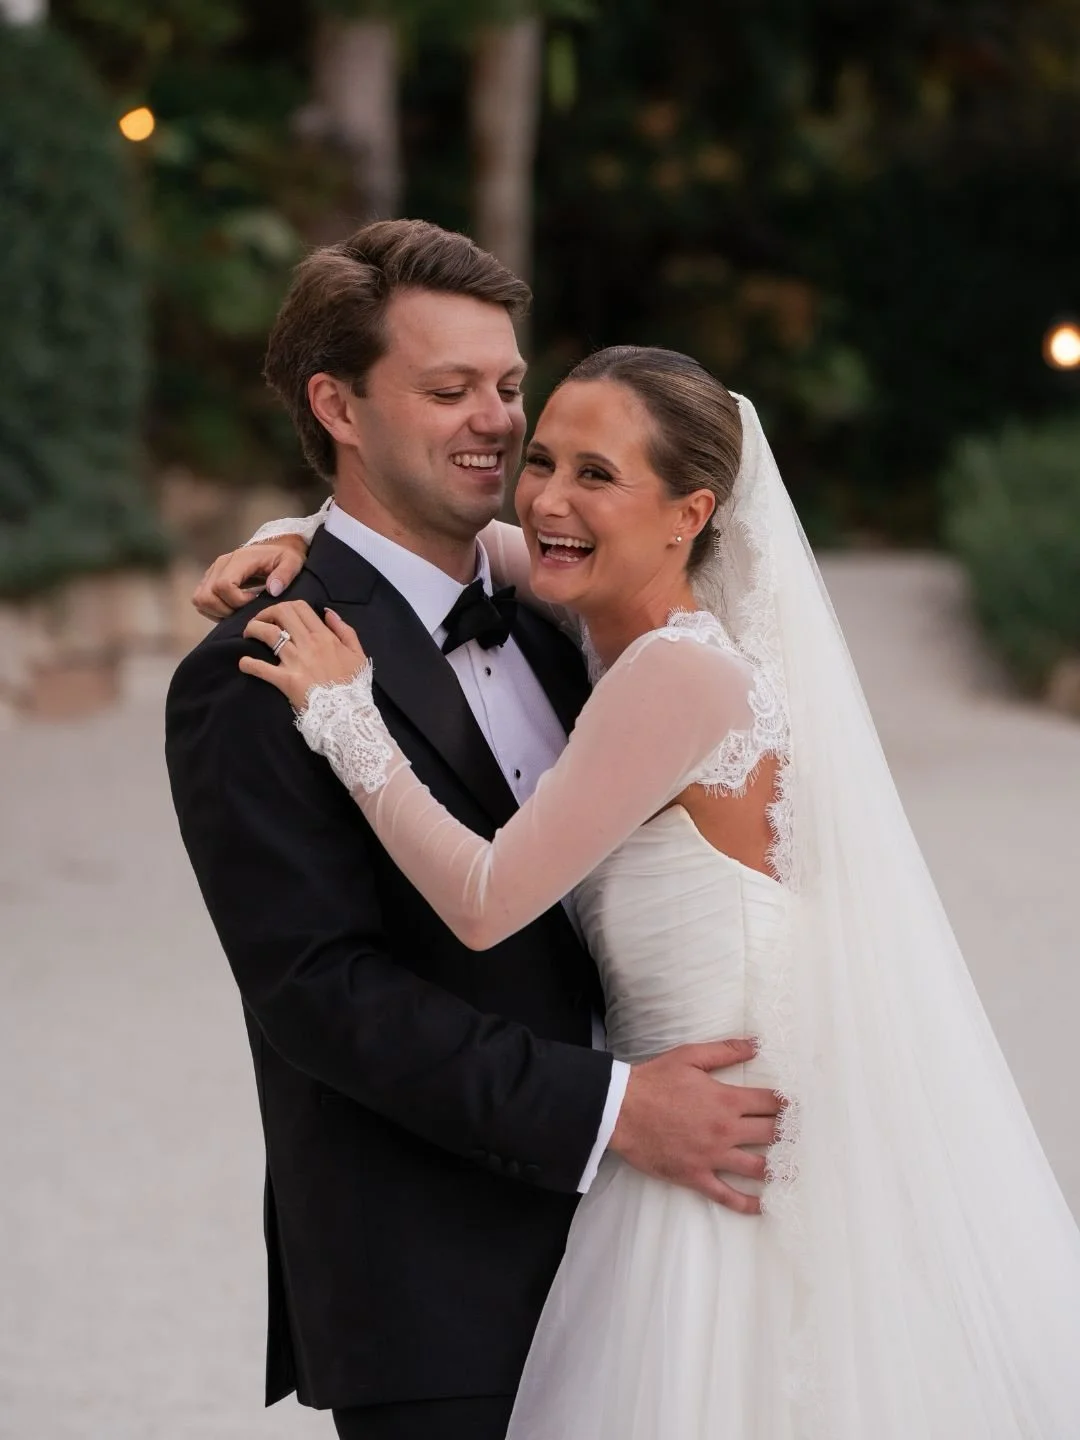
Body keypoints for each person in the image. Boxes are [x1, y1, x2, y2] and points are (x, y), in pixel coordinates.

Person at [203, 342, 1080, 1437]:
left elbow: (483, 898)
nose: (551, 499)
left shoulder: (675, 675)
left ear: (690, 513)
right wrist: (287, 540)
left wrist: (348, 720)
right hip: (663, 1142)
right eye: (547, 460)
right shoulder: (620, 611)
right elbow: (460, 548)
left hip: (708, 1161)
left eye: (597, 474)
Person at [166, 221, 780, 1440]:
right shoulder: (261, 670)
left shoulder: (571, 603)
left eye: (507, 386)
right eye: (449, 390)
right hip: (436, 1284)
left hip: (677, 1228)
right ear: (337, 405)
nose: (499, 423)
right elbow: (321, 994)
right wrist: (610, 1111)